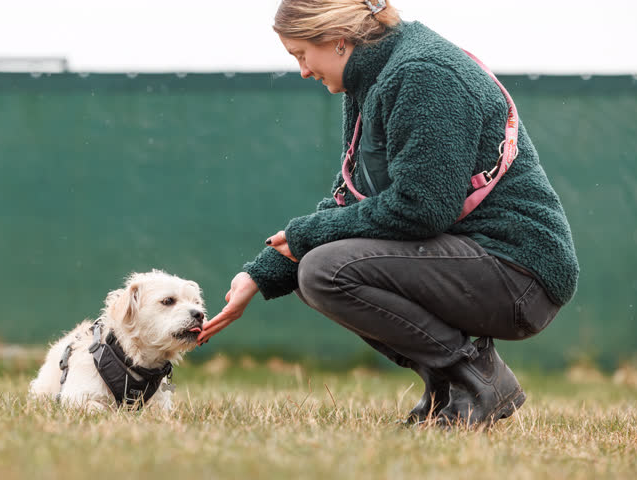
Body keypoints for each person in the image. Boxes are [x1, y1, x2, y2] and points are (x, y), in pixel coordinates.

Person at [198, 0, 579, 428]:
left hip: (520, 273)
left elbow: (423, 208)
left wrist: (308, 236)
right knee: (312, 266)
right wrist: (261, 273)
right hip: (473, 257)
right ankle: (445, 392)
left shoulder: (424, 73)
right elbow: (353, 198)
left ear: (337, 39)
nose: (302, 70)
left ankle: (476, 379)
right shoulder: (373, 74)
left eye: (301, 54)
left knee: (325, 270)